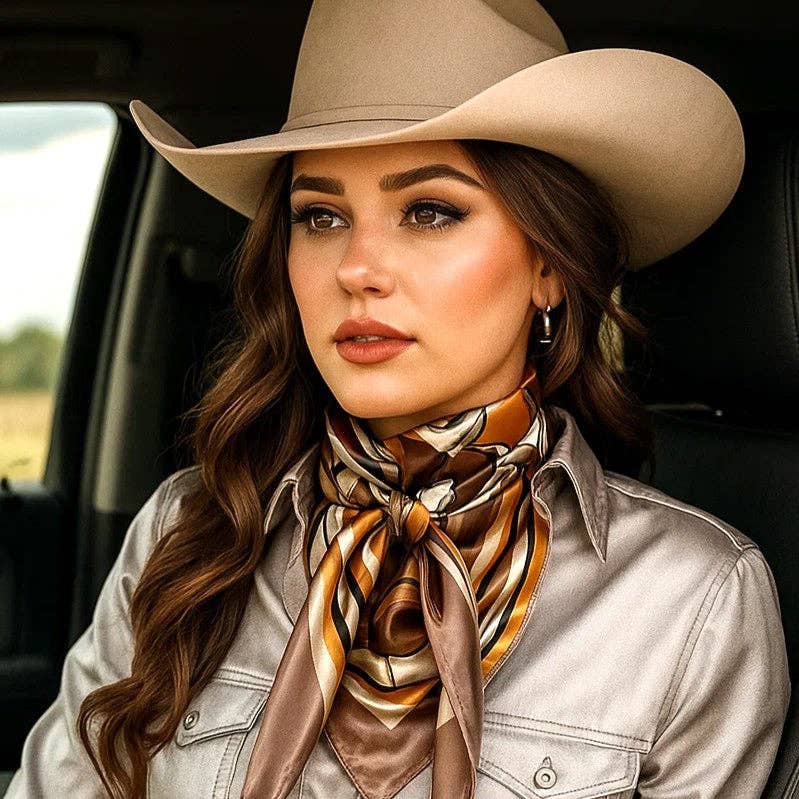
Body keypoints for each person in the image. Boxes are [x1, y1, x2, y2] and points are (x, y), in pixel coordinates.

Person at [5, 0, 791, 797]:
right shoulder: (188, 534)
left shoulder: (691, 599)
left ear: (549, 265)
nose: (356, 267)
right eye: (319, 215)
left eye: (429, 211)